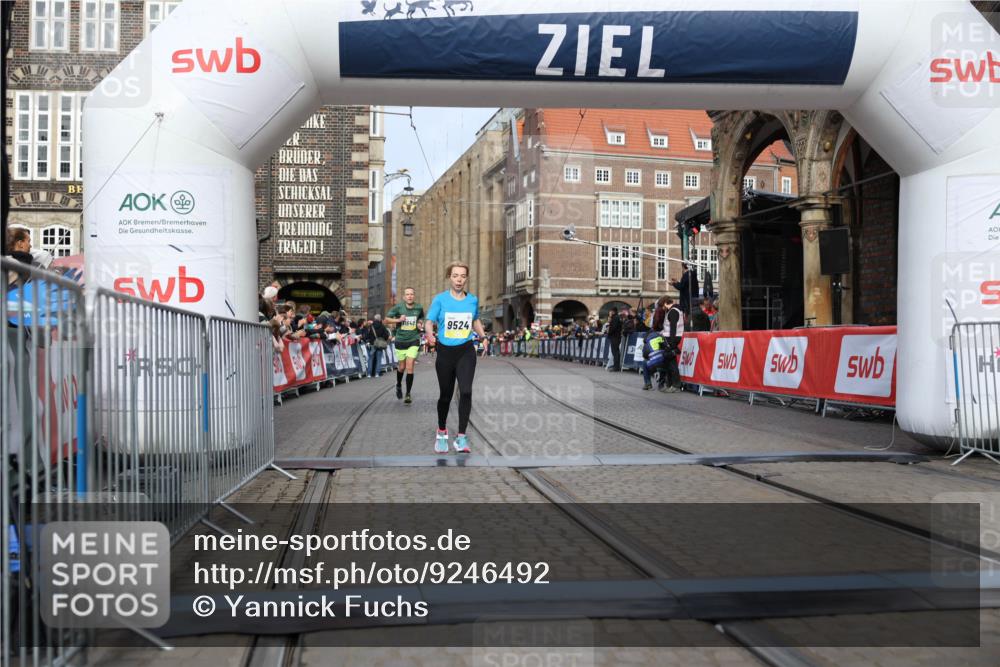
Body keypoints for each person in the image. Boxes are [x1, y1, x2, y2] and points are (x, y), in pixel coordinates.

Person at [425, 261, 486, 454]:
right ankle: (442, 431)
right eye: (455, 276)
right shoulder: (440, 300)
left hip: (466, 351)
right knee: (446, 395)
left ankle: (461, 437)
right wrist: (429, 335)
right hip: (445, 352)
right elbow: (429, 322)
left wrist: (483, 337)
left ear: (466, 278)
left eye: (462, 276)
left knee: (466, 392)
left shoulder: (472, 300)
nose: (459, 279)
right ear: (449, 277)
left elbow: (475, 320)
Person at [385, 287, 425, 404]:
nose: (409, 296)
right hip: (401, 341)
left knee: (410, 366)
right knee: (401, 367)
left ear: (414, 296)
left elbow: (421, 317)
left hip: (413, 339)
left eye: (411, 294)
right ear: (404, 297)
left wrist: (420, 323)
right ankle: (398, 384)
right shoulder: (398, 307)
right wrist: (398, 320)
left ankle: (408, 393)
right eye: (407, 294)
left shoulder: (418, 307)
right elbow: (386, 320)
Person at [661, 296, 685, 393]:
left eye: (662, 305)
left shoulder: (673, 311)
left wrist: (671, 344)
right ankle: (670, 384)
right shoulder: (675, 310)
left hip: (671, 339)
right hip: (672, 338)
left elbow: (673, 329)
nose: (662, 308)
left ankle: (675, 385)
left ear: (665, 303)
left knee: (672, 364)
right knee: (668, 363)